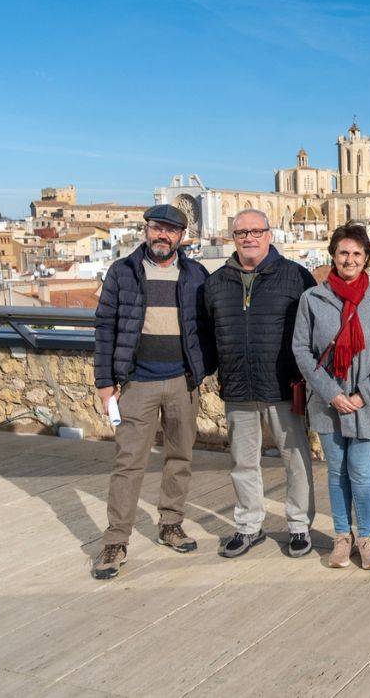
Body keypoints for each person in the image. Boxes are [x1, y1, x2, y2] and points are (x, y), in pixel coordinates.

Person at [91, 205, 215, 579]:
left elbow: (207, 328)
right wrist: (104, 383)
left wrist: (201, 370)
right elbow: (104, 328)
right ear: (146, 230)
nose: (163, 235)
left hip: (182, 382)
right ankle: (116, 540)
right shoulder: (123, 272)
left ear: (182, 236)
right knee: (129, 462)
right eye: (157, 228)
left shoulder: (195, 274)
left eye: (171, 230)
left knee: (180, 457)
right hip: (136, 383)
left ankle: (170, 524)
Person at [206, 208, 318, 559]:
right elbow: (208, 332)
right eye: (241, 233)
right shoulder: (216, 282)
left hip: (284, 385)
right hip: (238, 386)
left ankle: (299, 525)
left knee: (296, 459)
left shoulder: (296, 277)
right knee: (243, 461)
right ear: (233, 238)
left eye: (256, 231)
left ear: (270, 235)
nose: (249, 238)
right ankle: (248, 526)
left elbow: (313, 331)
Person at [293, 224, 370, 570]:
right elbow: (302, 350)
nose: (349, 259)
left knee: (362, 471)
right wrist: (333, 393)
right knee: (337, 471)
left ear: (366, 258)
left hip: (367, 403)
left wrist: (363, 395)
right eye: (343, 253)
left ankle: (366, 536)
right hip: (327, 402)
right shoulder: (313, 299)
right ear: (333, 256)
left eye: (356, 254)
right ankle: (342, 536)